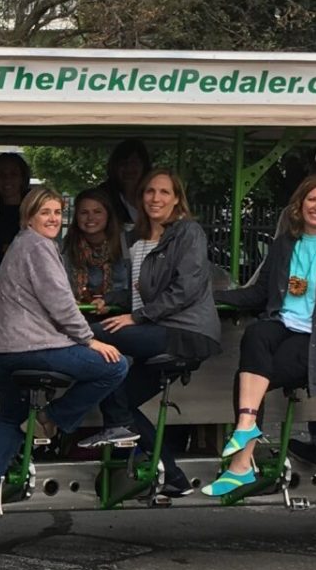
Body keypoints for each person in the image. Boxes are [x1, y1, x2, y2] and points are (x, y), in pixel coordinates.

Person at [203, 177, 316, 498]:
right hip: (283, 324)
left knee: (248, 378)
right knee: (255, 334)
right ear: (299, 203)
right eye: (312, 200)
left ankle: (241, 463)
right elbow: (260, 292)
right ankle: (246, 436)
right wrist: (209, 298)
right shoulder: (284, 243)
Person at [0, 188, 135, 514]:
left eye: (58, 213)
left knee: (10, 414)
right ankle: (50, 419)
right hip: (31, 348)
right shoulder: (40, 246)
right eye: (44, 212)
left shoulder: (20, 245)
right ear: (28, 216)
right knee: (116, 365)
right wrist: (90, 339)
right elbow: (61, 304)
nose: (52, 219)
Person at [94, 169, 221, 496]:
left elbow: (185, 289)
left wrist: (137, 317)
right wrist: (110, 301)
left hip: (184, 331)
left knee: (93, 337)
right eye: (150, 191)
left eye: (164, 192)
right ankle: (173, 476)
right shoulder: (134, 239)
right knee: (120, 395)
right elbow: (143, 290)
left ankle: (113, 431)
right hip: (156, 326)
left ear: (177, 198)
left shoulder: (188, 232)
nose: (156, 198)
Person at [62, 188, 128, 310]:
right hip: (79, 313)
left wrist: (108, 300)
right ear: (76, 216)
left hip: (120, 314)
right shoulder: (67, 246)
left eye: (97, 212)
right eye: (84, 212)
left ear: (108, 215)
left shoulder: (126, 242)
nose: (90, 217)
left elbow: (134, 291)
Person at [95, 139, 152, 228]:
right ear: (114, 166)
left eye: (134, 162)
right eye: (123, 163)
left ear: (144, 166)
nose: (129, 168)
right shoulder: (103, 196)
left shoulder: (154, 193)